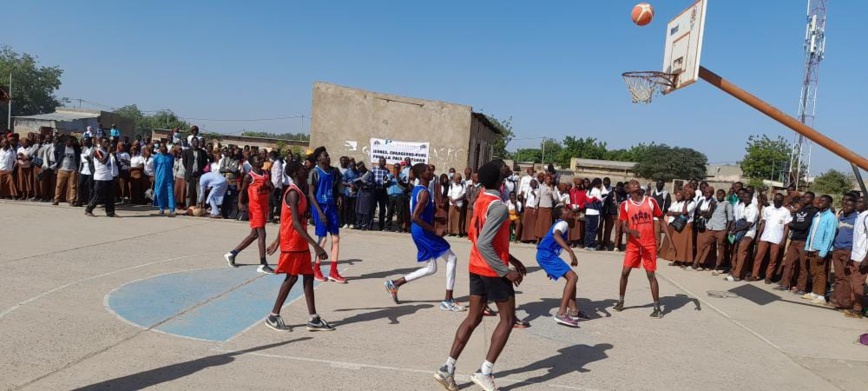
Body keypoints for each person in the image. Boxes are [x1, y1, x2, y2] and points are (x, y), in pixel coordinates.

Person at [433, 162, 527, 391]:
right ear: (499, 182)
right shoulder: (499, 207)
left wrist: (510, 257)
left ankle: (448, 368)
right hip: (492, 270)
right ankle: (485, 372)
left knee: (473, 318)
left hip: (476, 266)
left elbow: (481, 238)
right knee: (508, 320)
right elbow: (485, 243)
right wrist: (506, 270)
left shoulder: (480, 200)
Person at [264, 158, 335, 332]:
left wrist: (276, 240)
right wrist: (316, 246)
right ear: (296, 173)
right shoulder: (293, 193)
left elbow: (286, 220)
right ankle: (273, 315)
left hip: (298, 241)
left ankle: (313, 318)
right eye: (303, 169)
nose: (306, 170)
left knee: (308, 276)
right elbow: (295, 223)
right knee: (291, 277)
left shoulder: (299, 192)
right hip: (293, 243)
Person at [384, 163, 465, 312]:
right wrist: (434, 230)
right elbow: (415, 217)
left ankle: (395, 283)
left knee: (431, 267)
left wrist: (436, 221)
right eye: (428, 170)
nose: (431, 171)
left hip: (418, 231)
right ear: (422, 175)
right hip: (423, 231)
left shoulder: (419, 190)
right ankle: (448, 300)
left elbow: (419, 215)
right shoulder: (424, 193)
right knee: (452, 259)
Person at [614, 180, 663, 318]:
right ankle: (621, 301)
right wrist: (631, 231)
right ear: (628, 190)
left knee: (650, 275)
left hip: (649, 244)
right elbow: (623, 227)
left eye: (637, 183)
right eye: (632, 184)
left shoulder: (651, 201)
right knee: (625, 272)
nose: (635, 184)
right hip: (634, 245)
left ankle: (657, 307)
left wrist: (670, 242)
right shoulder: (625, 205)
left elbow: (661, 219)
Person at [535, 205, 585, 328]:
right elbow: (556, 236)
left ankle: (574, 310)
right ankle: (561, 313)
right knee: (572, 277)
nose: (569, 211)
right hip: (546, 255)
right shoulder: (562, 224)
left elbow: (572, 225)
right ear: (561, 215)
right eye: (566, 210)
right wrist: (570, 252)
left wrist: (573, 216)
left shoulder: (563, 223)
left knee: (571, 278)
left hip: (545, 254)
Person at [224, 155, 274, 274]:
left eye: (262, 159)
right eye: (259, 159)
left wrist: (270, 187)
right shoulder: (249, 176)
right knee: (262, 234)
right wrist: (240, 202)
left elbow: (271, 189)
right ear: (252, 163)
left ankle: (232, 253)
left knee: (254, 235)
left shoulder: (266, 173)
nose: (262, 161)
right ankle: (262, 264)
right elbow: (242, 191)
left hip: (264, 206)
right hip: (255, 208)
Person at [307, 147, 346, 284]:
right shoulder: (315, 172)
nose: (328, 157)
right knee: (322, 239)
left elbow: (338, 185)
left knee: (336, 238)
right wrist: (319, 212)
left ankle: (333, 271)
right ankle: (316, 269)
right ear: (318, 158)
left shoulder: (332, 172)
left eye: (328, 155)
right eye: (325, 155)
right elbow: (311, 194)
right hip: (320, 206)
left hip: (331, 206)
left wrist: (340, 195)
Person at [777, 192, 818, 293]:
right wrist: (794, 225)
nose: (805, 199)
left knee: (803, 266)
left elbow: (804, 226)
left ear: (812, 199)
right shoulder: (800, 210)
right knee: (788, 263)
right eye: (804, 197)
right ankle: (784, 284)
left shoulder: (813, 211)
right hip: (794, 239)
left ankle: (801, 288)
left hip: (804, 241)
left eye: (807, 197)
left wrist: (793, 225)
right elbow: (793, 223)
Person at [801, 195, 838, 304]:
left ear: (829, 203)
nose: (820, 202)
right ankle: (814, 292)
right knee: (813, 271)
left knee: (821, 272)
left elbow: (829, 236)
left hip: (820, 249)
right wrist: (808, 247)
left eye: (823, 201)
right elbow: (811, 232)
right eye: (820, 200)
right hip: (812, 248)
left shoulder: (831, 218)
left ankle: (821, 295)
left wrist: (823, 252)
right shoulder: (817, 215)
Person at [751, 193, 792, 283]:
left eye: (780, 199)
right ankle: (754, 275)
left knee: (773, 259)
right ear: (773, 200)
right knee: (759, 257)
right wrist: (759, 236)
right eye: (776, 199)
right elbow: (763, 223)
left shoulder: (786, 212)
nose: (778, 200)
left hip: (777, 238)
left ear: (782, 200)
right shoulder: (768, 209)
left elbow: (786, 227)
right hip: (765, 237)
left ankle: (768, 277)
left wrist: (783, 239)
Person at [828, 195, 858, 310]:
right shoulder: (841, 217)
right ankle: (837, 298)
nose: (846, 207)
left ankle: (845, 302)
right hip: (837, 249)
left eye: (849, 205)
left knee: (846, 277)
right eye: (845, 205)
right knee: (838, 276)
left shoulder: (856, 219)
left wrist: (851, 252)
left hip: (847, 251)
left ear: (854, 206)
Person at [842, 196, 867, 318]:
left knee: (858, 284)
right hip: (855, 255)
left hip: (862, 257)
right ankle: (854, 307)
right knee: (854, 282)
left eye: (861, 202)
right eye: (857, 201)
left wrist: (866, 259)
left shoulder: (867, 217)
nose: (857, 203)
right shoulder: (859, 216)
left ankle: (858, 309)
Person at [727, 189, 759, 282]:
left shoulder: (753, 208)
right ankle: (737, 271)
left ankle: (737, 275)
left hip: (748, 233)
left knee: (741, 251)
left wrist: (736, 229)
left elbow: (748, 224)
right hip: (739, 232)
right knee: (736, 251)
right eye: (744, 197)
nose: (745, 199)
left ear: (751, 198)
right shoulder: (741, 206)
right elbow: (738, 219)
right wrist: (734, 228)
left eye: (747, 197)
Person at [85, 138, 116, 217]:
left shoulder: (107, 152)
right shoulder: (98, 151)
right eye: (105, 142)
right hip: (100, 177)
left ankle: (110, 212)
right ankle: (89, 210)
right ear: (101, 143)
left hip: (109, 177)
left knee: (109, 196)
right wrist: (109, 152)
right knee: (98, 195)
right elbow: (103, 161)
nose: (108, 144)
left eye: (108, 142)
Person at [182, 137, 209, 209]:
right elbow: (185, 163)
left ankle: (198, 207)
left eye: (197, 142)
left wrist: (199, 170)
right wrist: (190, 170)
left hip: (199, 174)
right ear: (191, 142)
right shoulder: (186, 151)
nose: (196, 143)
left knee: (199, 192)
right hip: (190, 175)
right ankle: (188, 207)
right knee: (188, 192)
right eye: (194, 141)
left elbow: (204, 163)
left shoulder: (202, 152)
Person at [152, 145, 176, 216]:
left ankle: (172, 209)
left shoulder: (171, 156)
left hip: (169, 177)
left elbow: (171, 165)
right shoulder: (156, 157)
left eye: (165, 147)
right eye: (162, 147)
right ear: (159, 149)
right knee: (159, 192)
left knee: (170, 192)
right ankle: (161, 208)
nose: (164, 148)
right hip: (160, 177)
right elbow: (155, 167)